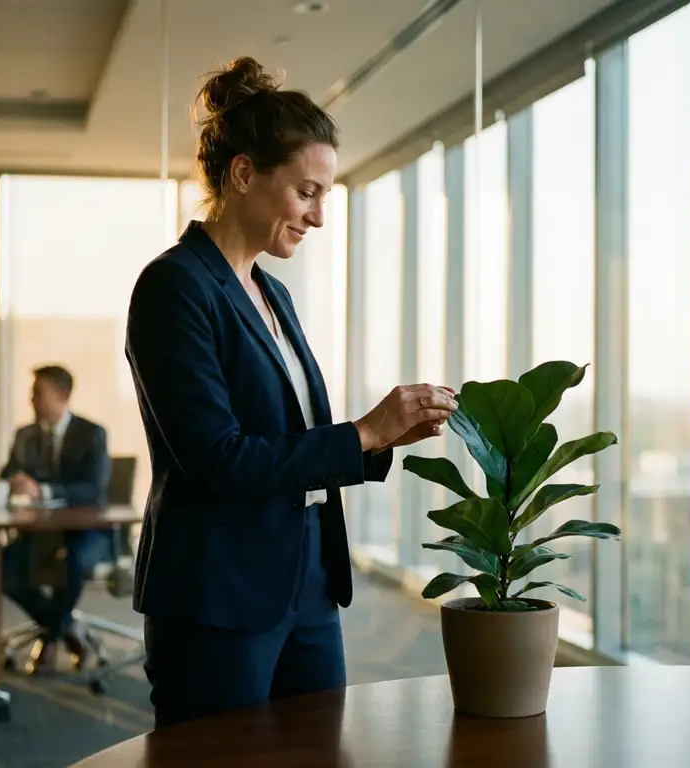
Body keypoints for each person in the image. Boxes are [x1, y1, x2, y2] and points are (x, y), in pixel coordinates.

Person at [124, 56, 458, 728]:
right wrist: (361, 432)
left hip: (306, 582)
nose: (319, 217)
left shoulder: (272, 292)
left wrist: (381, 439)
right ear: (244, 174)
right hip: (219, 595)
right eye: (307, 193)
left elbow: (292, 436)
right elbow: (217, 459)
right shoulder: (174, 288)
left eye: (325, 196)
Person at [0, 364, 112, 669]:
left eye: (38, 393)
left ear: (62, 396)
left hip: (87, 533)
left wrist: (43, 491)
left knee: (71, 563)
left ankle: (52, 636)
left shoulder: (91, 434)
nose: (31, 401)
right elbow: (7, 475)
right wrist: (11, 483)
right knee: (0, 569)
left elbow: (94, 490)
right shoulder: (25, 436)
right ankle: (65, 627)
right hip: (40, 533)